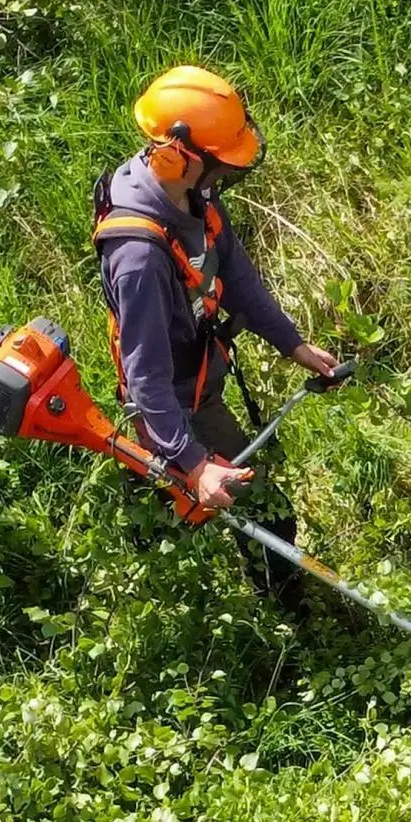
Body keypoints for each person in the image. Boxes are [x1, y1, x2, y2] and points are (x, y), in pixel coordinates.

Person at [92, 65, 339, 614]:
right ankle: (282, 618)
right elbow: (146, 379)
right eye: (220, 166)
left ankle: (162, 543)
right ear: (178, 154)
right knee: (263, 512)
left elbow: (237, 278)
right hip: (171, 402)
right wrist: (197, 463)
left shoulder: (191, 195)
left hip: (196, 380)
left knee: (178, 516)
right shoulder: (138, 257)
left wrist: (293, 344)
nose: (224, 178)